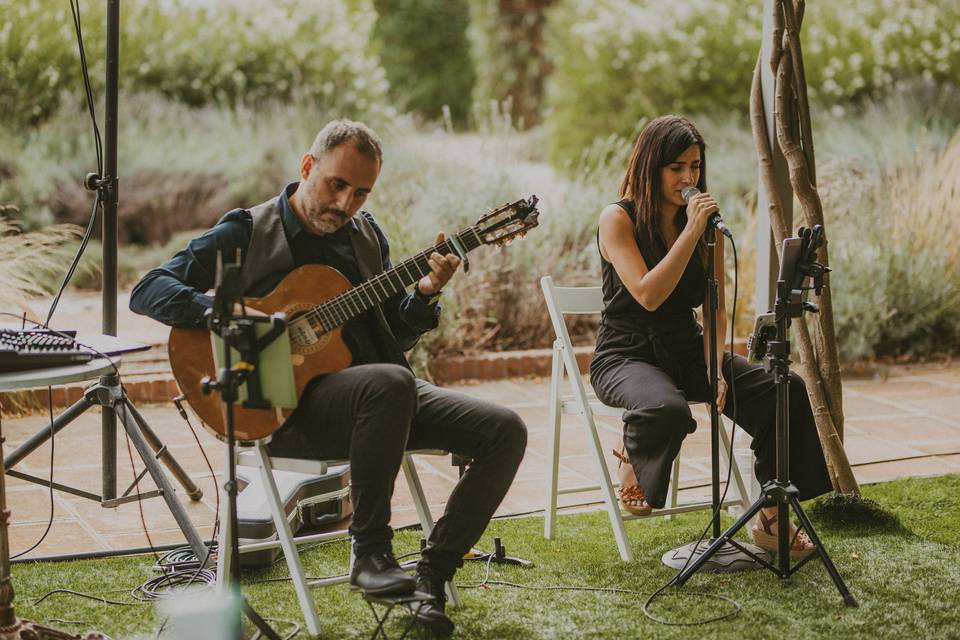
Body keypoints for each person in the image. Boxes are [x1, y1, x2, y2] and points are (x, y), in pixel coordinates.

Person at [130, 119, 527, 636]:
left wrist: (426, 292)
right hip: (285, 409)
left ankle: (430, 573)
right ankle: (371, 555)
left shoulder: (366, 236)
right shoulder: (248, 230)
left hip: (383, 399)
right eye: (336, 185)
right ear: (307, 166)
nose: (345, 204)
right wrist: (233, 317)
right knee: (389, 383)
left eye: (360, 193)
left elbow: (393, 339)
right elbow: (148, 288)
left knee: (504, 430)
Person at [589, 114, 832, 557]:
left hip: (686, 348)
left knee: (784, 390)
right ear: (650, 166)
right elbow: (647, 294)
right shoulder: (617, 218)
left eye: (695, 167)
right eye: (676, 167)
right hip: (626, 356)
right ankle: (632, 454)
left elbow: (714, 307)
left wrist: (713, 365)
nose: (688, 178)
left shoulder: (706, 228)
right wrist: (693, 230)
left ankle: (773, 519)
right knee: (666, 408)